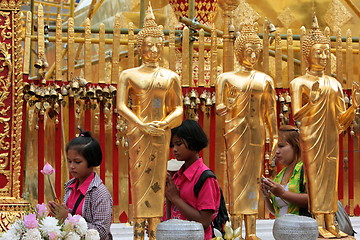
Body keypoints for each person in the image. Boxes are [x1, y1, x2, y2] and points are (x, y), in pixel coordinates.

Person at [116, 3, 183, 240]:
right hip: (138, 134)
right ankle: (137, 230)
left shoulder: (170, 76)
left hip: (160, 134)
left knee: (157, 181)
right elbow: (121, 106)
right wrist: (142, 124)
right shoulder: (129, 75)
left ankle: (154, 229)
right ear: (139, 47)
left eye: (157, 45)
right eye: (148, 45)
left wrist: (164, 124)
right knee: (139, 180)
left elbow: (178, 109)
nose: (153, 49)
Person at [290, 15, 360, 239]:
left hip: (331, 137)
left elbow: (341, 120)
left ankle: (333, 223)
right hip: (311, 136)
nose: (321, 56)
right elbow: (296, 115)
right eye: (317, 51)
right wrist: (311, 103)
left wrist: (354, 108)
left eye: (324, 52)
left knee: (331, 182)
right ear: (306, 54)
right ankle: (318, 222)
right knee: (316, 180)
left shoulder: (334, 83)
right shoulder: (299, 83)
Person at [215, 22, 278, 240]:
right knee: (235, 180)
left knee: (254, 180)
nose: (252, 55)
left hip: (256, 134)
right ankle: (236, 230)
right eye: (248, 50)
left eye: (256, 51)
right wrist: (229, 104)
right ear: (239, 52)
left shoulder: (264, 80)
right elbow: (220, 109)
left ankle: (251, 230)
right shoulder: (226, 78)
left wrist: (275, 136)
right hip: (235, 133)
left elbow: (270, 112)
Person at [48, 131, 113, 240]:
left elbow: (101, 232)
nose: (71, 166)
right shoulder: (70, 187)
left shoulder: (100, 193)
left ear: (91, 162)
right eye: (69, 161)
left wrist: (68, 219)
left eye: (77, 162)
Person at [165, 119, 220, 240]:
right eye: (172, 145)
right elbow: (170, 215)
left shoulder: (205, 178)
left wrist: (175, 198)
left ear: (193, 143)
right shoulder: (177, 176)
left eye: (179, 144)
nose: (174, 149)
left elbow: (204, 221)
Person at [260, 125, 308, 218]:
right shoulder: (281, 174)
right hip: (282, 230)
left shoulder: (305, 169)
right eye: (276, 147)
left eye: (281, 146)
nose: (277, 151)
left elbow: (313, 201)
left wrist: (283, 193)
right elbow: (276, 210)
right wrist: (266, 195)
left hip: (302, 229)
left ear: (296, 146)